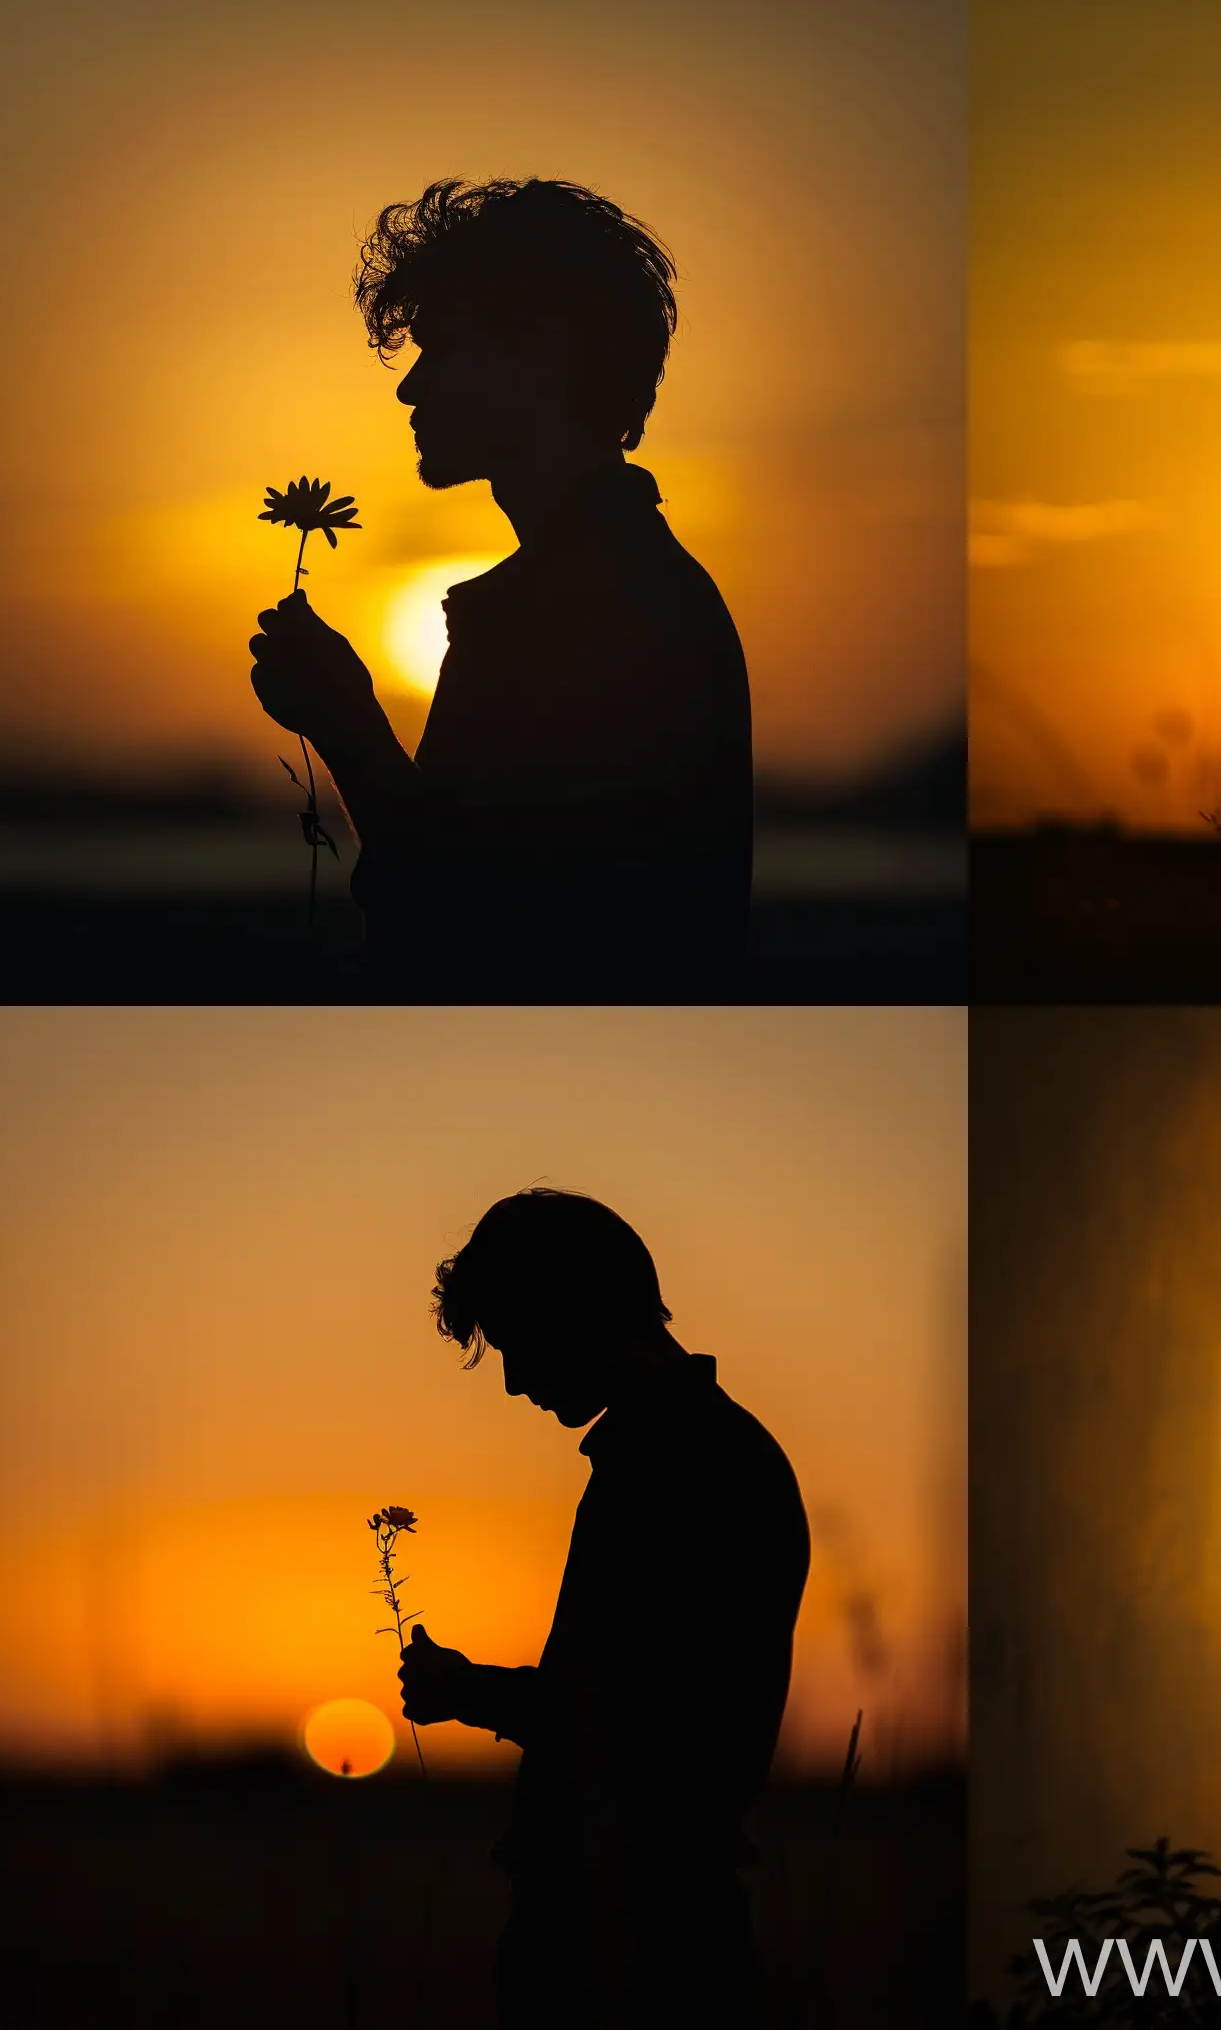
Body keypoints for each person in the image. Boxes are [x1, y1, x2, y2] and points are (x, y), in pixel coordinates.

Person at [248, 179, 753, 1001]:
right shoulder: (647, 586)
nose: (410, 389)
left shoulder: (568, 611)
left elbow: (454, 927)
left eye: (442, 348)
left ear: (542, 353)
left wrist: (347, 724)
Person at [396, 1189, 810, 2028]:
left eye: (518, 1344)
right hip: (634, 1926)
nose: (513, 1383)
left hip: (635, 1946)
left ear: (575, 1310)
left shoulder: (683, 1465)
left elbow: (635, 1715)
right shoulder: (686, 1451)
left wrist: (465, 1692)